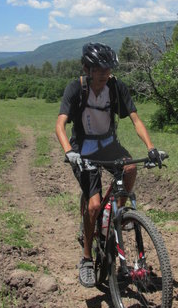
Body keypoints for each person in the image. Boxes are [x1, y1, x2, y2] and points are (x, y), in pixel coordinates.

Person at [55, 42, 163, 288]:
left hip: (109, 144)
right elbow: (60, 125)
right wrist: (69, 152)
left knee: (130, 168)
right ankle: (86, 258)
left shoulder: (115, 87)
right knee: (93, 205)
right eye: (99, 69)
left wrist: (150, 147)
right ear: (87, 68)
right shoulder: (76, 88)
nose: (105, 74)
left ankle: (116, 216)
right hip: (83, 149)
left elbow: (135, 118)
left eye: (108, 69)